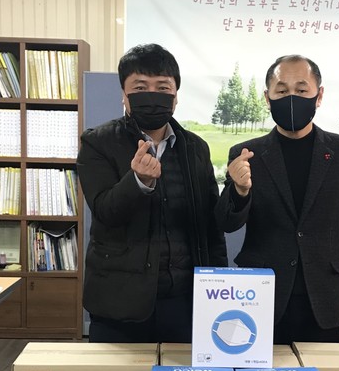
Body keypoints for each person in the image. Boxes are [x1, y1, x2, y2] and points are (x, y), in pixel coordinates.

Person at [77, 43, 227, 342]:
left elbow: (211, 225)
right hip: (119, 302)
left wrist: (218, 288)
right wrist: (138, 181)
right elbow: (105, 211)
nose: (152, 95)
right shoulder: (98, 142)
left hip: (185, 301)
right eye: (140, 87)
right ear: (124, 94)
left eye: (162, 87)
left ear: (176, 96)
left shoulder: (195, 147)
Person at [216, 54, 339, 343]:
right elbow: (226, 223)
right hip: (261, 295)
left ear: (318, 95)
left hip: (325, 294)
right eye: (282, 90)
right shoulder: (246, 153)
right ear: (267, 97)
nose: (291, 98)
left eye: (301, 90)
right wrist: (240, 190)